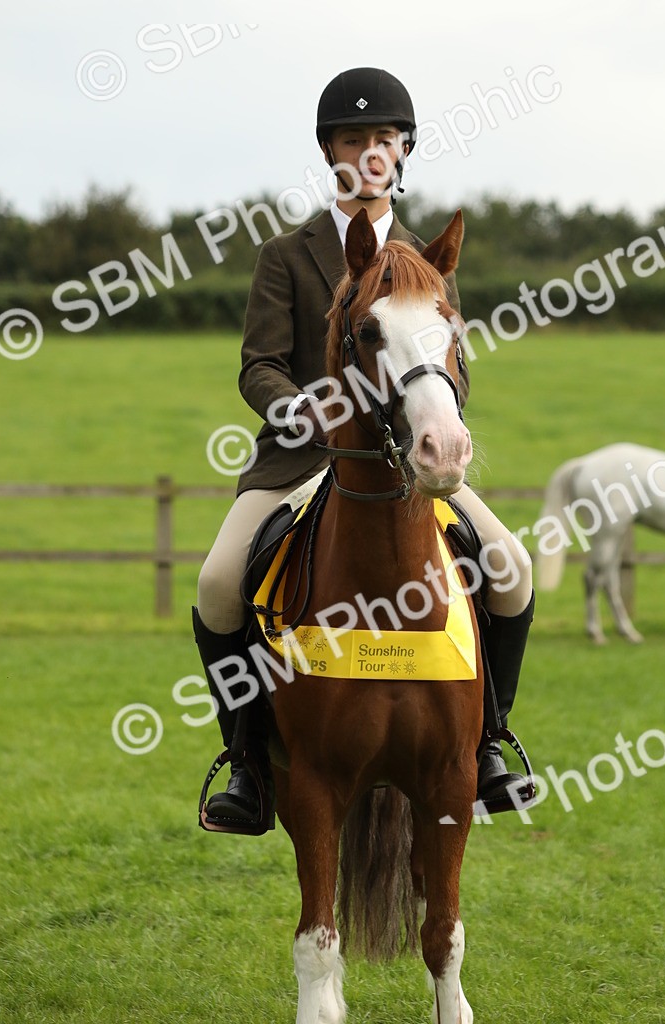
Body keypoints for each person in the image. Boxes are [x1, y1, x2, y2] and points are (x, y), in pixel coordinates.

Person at [193, 67, 535, 833]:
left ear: (403, 148)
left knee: (511, 569)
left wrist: (433, 423)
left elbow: (454, 369)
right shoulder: (286, 253)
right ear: (331, 152)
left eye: (384, 137)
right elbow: (259, 364)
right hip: (300, 459)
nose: (371, 150)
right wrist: (300, 410)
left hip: (409, 460)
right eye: (355, 138)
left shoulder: (429, 257)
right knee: (219, 584)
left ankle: (488, 744)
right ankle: (247, 762)